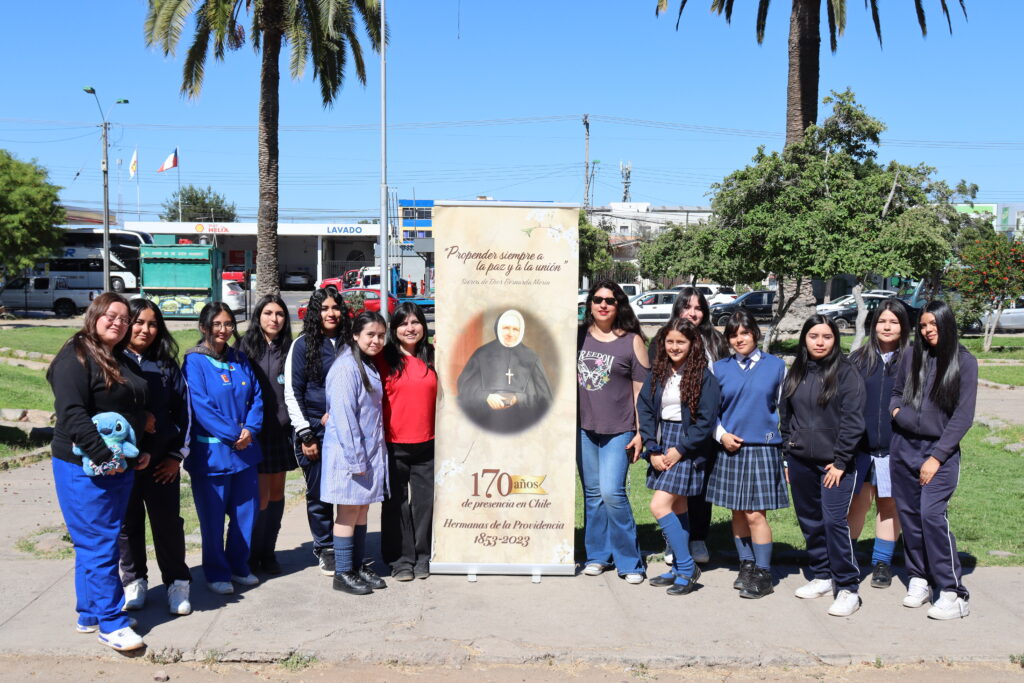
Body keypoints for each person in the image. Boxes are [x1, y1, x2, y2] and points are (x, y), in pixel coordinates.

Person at [47, 293, 150, 651]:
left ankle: (90, 612)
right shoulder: (75, 356)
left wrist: (135, 450)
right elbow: (72, 414)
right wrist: (105, 456)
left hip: (116, 466)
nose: (118, 323)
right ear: (93, 315)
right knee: (100, 543)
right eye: (111, 315)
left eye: (124, 318)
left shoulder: (114, 355)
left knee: (93, 541)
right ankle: (112, 623)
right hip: (85, 468)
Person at [889, 300, 977, 620]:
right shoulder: (912, 355)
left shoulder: (965, 362)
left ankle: (953, 592)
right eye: (923, 325)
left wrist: (937, 457)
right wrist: (897, 413)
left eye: (933, 324)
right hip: (904, 447)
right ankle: (919, 578)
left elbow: (963, 417)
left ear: (946, 323)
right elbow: (896, 393)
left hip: (940, 453)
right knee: (910, 517)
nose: (927, 330)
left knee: (931, 516)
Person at [780, 315, 866, 617]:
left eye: (826, 337)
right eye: (813, 336)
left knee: (833, 522)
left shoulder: (847, 373)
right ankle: (822, 575)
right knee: (810, 520)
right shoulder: (797, 371)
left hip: (835, 465)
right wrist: (788, 452)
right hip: (800, 460)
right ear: (805, 339)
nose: (819, 342)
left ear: (835, 340)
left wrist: (841, 461)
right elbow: (786, 416)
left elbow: (854, 421)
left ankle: (848, 587)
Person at [705, 311, 790, 599]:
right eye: (733, 335)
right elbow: (709, 411)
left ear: (755, 333)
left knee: (755, 514)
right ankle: (747, 565)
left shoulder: (776, 367)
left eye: (744, 333)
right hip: (730, 447)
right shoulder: (719, 368)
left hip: (763, 448)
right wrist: (721, 435)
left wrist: (787, 453)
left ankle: (764, 573)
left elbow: (786, 411)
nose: (739, 339)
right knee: (738, 511)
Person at [118, 299, 193, 616]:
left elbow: (184, 412)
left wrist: (176, 456)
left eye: (152, 324)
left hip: (162, 464)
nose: (145, 330)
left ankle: (177, 583)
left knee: (167, 525)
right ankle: (134, 581)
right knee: (128, 524)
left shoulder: (165, 365)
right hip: (121, 465)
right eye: (139, 322)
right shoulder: (111, 360)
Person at [182, 302, 263, 595]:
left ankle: (239, 566)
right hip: (212, 456)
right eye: (217, 324)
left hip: (245, 453)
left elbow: (256, 396)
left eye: (228, 324)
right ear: (203, 327)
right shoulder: (194, 362)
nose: (223, 329)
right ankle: (216, 572)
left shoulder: (240, 359)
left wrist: (250, 429)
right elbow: (200, 406)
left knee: (246, 514)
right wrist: (233, 434)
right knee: (213, 519)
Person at [637, 319, 720, 595]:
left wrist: (680, 449)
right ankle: (677, 569)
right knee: (679, 506)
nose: (674, 347)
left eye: (680, 342)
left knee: (659, 506)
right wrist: (653, 448)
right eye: (670, 341)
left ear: (692, 344)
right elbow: (645, 409)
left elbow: (706, 422)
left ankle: (686, 567)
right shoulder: (659, 371)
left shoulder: (703, 377)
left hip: (689, 447)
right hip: (662, 443)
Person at [650, 286, 731, 565]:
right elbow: (653, 385)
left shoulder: (715, 341)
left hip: (706, 425)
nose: (693, 313)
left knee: (699, 487)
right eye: (687, 306)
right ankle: (674, 543)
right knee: (673, 492)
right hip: (671, 425)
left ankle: (697, 538)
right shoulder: (663, 339)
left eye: (698, 308)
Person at [576, 280, 649, 584]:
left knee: (612, 493)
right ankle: (597, 556)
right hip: (584, 429)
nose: (603, 305)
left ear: (619, 305)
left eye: (610, 300)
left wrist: (641, 432)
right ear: (590, 304)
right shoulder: (577, 337)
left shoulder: (632, 341)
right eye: (597, 299)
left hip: (619, 429)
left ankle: (630, 562)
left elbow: (641, 392)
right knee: (593, 495)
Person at [322, 311, 390, 595]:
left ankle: (358, 565)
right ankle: (343, 572)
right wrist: (356, 459)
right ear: (355, 335)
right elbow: (345, 418)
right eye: (370, 334)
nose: (376, 340)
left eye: (381, 335)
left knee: (361, 509)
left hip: (367, 453)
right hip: (350, 455)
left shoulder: (366, 363)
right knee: (348, 512)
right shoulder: (345, 368)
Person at [284, 286, 350, 576]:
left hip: (347, 430)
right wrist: (306, 434)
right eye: (324, 308)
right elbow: (292, 392)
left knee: (347, 491)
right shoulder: (302, 346)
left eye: (335, 307)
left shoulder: (351, 342)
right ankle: (325, 548)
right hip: (314, 431)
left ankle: (346, 543)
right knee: (319, 493)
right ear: (315, 313)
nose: (331, 313)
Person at [847, 299, 910, 590]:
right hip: (861, 447)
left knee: (889, 504)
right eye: (882, 321)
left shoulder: (913, 360)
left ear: (903, 326)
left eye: (893, 322)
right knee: (858, 502)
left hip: (896, 448)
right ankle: (847, 556)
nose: (887, 327)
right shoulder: (858, 360)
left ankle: (882, 562)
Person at [376, 303, 437, 581]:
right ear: (394, 329)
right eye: (403, 323)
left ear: (423, 325)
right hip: (393, 444)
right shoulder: (383, 358)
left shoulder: (434, 357)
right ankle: (400, 560)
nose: (410, 328)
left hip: (428, 444)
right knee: (395, 505)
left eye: (415, 322)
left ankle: (423, 556)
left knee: (424, 504)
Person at [238, 294, 294, 575]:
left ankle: (268, 553)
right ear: (258, 316)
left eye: (280, 314)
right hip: (255, 432)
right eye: (268, 313)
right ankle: (251, 554)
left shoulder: (290, 348)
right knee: (259, 497)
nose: (274, 319)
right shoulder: (243, 348)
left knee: (276, 494)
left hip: (280, 432)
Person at [456, 308, 552, 433]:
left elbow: (544, 396)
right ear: (498, 328)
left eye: (515, 329)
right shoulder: (482, 354)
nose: (510, 333)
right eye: (506, 328)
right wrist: (486, 397)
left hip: (522, 422)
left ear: (521, 331)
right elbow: (464, 386)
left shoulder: (531, 357)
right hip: (487, 420)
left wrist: (518, 398)